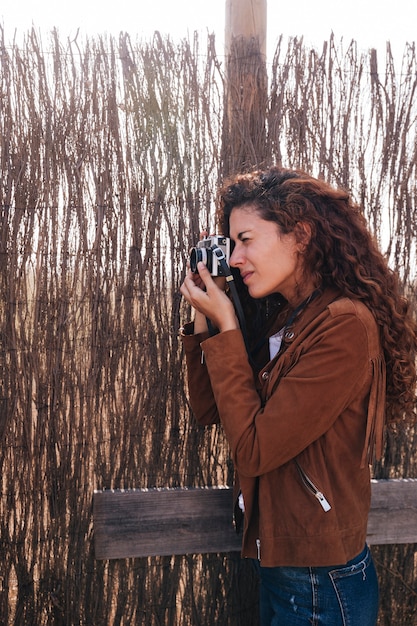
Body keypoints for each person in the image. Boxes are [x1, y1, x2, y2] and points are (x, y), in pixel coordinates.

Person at [179, 166, 417, 626]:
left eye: (246, 240)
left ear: (301, 234)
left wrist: (228, 325)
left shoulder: (343, 326)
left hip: (321, 582)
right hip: (283, 566)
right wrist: (206, 319)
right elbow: (210, 409)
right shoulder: (290, 319)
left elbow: (254, 450)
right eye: (231, 245)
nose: (236, 258)